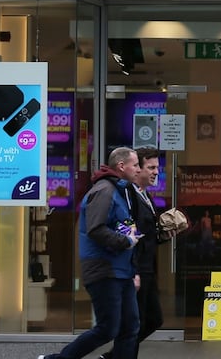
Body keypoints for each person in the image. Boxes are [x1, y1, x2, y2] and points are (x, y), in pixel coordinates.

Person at [39, 147, 142, 359]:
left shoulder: (121, 191)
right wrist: (126, 241)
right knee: (107, 329)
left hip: (122, 271)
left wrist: (129, 237)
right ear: (121, 166)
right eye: (136, 165)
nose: (139, 170)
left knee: (130, 327)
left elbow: (119, 224)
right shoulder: (104, 190)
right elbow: (96, 229)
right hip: (105, 270)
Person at [101, 147, 175, 359]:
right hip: (136, 268)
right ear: (138, 169)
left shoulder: (144, 195)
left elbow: (146, 235)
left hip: (147, 267)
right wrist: (132, 270)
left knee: (152, 319)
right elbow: (127, 233)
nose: (155, 172)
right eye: (150, 167)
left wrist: (164, 234)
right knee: (135, 323)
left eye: (157, 168)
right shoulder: (129, 195)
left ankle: (113, 355)